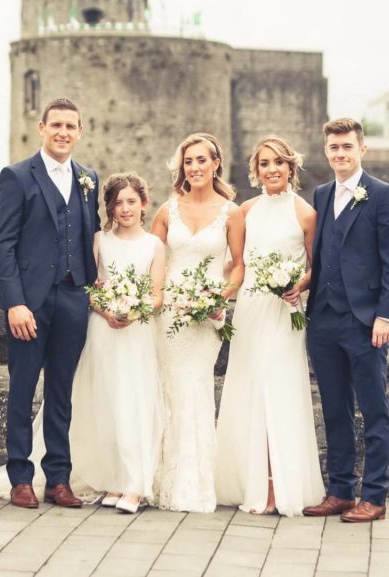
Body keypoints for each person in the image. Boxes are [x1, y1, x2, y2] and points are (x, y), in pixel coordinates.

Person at [0, 97, 100, 509]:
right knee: (21, 391)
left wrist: (93, 294)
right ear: (41, 127)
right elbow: (3, 245)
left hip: (74, 299)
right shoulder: (16, 176)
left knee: (62, 393)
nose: (63, 132)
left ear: (80, 131)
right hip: (30, 304)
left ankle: (59, 479)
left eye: (71, 126)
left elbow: (89, 238)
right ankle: (20, 476)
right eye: (56, 125)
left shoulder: (88, 178)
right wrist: (15, 303)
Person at [303, 118, 389, 523]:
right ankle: (341, 491)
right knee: (334, 408)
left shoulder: (384, 195)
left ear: (362, 149)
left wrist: (385, 315)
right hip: (324, 319)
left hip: (366, 322)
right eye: (333, 148)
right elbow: (323, 254)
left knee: (373, 409)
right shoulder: (322, 193)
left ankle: (375, 497)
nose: (340, 154)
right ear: (326, 151)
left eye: (347, 146)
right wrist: (303, 284)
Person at [214, 135, 324, 517]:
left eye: (278, 162)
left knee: (278, 392)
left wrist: (299, 285)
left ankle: (280, 486)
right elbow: (235, 263)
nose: (272, 169)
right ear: (255, 170)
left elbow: (315, 267)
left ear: (291, 168)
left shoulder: (305, 213)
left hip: (285, 314)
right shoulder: (245, 209)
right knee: (249, 390)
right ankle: (251, 481)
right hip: (251, 309)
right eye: (264, 164)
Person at [150, 133, 244, 513]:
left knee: (193, 386)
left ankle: (191, 480)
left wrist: (218, 299)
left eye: (202, 160)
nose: (195, 168)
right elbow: (149, 257)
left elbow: (238, 265)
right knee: (163, 387)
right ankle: (151, 474)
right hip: (168, 312)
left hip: (207, 318)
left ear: (216, 163)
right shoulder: (166, 210)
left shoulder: (231, 212)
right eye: (189, 162)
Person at [69, 172, 165, 514]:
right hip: (103, 329)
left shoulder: (154, 245)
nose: (125, 209)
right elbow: (89, 288)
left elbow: (156, 296)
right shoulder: (99, 240)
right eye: (117, 202)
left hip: (136, 334)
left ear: (143, 204)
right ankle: (111, 478)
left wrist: (133, 312)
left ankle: (135, 485)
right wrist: (106, 309)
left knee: (133, 402)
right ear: (109, 207)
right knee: (105, 401)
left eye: (131, 202)